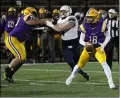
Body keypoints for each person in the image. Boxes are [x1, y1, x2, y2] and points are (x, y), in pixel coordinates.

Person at [65, 8, 115, 89]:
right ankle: (72, 75)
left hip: (98, 47)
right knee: (79, 65)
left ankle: (110, 81)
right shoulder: (84, 25)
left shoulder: (102, 24)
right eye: (88, 17)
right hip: (88, 48)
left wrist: (104, 45)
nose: (88, 19)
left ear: (96, 17)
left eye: (90, 17)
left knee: (104, 63)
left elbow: (108, 36)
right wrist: (86, 44)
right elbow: (80, 40)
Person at [4, 7, 51, 83]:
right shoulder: (27, 16)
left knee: (22, 59)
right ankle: (8, 69)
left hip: (18, 41)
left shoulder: (26, 18)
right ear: (29, 12)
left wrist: (44, 26)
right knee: (20, 57)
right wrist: (46, 20)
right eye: (34, 13)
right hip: (13, 39)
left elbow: (33, 25)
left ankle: (10, 73)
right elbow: (33, 22)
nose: (35, 15)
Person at [46, 5, 89, 81]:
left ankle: (75, 73)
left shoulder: (72, 18)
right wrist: (52, 25)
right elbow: (55, 29)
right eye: (61, 11)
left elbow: (60, 29)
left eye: (64, 11)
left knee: (77, 62)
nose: (62, 13)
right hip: (65, 43)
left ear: (69, 12)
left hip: (74, 43)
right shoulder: (59, 19)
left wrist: (51, 25)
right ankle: (83, 74)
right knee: (70, 61)